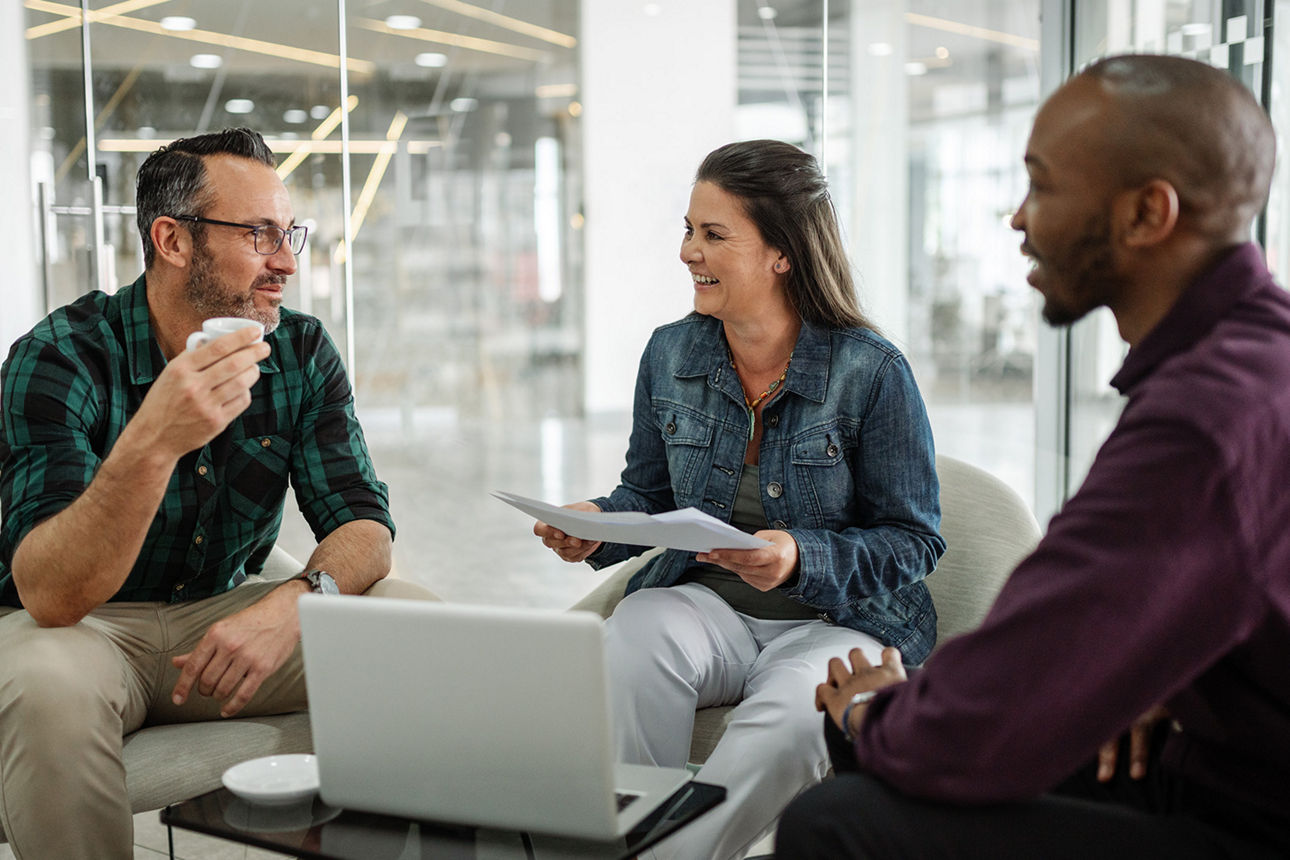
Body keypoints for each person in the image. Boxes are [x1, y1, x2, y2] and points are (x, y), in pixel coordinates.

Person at [777, 54, 1290, 859]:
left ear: (1147, 213)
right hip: (1226, 753)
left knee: (838, 816)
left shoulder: (1203, 420)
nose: (1019, 218)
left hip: (1253, 814)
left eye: (1043, 185)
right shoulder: (1261, 357)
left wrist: (873, 708)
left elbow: (1009, 693)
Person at [535, 139, 945, 860]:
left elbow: (913, 541)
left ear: (782, 253)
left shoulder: (871, 371)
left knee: (794, 716)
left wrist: (798, 558)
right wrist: (599, 527)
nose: (689, 252)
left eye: (713, 235)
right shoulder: (670, 354)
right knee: (633, 633)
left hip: (842, 622)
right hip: (710, 608)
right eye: (689, 230)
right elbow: (650, 494)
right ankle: (616, 836)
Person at [0, 128, 396, 859]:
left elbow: (366, 525)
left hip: (216, 612)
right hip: (80, 627)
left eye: (290, 236)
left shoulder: (300, 350)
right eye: (259, 235)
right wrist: (156, 440)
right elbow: (49, 594)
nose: (285, 263)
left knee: (416, 626)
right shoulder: (58, 357)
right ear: (172, 240)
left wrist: (302, 598)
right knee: (44, 682)